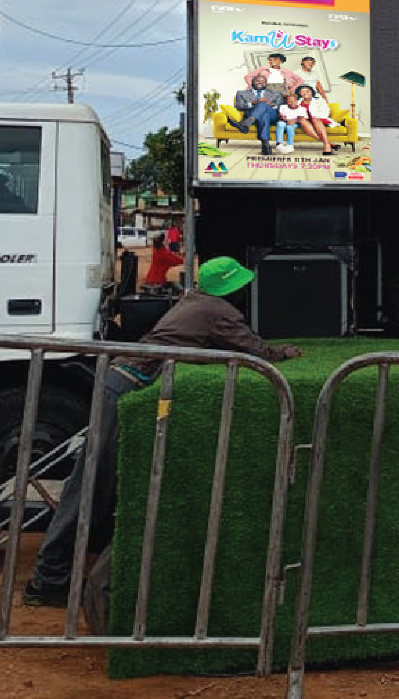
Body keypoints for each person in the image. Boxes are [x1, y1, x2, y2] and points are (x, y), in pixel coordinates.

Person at [22, 256, 301, 607]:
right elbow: (258, 352)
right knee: (91, 486)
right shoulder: (220, 313)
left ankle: (58, 573)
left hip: (118, 382)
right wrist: (285, 352)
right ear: (235, 288)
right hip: (124, 387)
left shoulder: (195, 301)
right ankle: (48, 580)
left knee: (97, 486)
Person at [228, 79, 281, 155]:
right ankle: (265, 144)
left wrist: (270, 104)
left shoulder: (276, 94)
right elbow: (238, 106)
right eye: (258, 81)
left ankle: (245, 123)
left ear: (266, 83)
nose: (260, 82)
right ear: (252, 82)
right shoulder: (241, 93)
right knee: (264, 116)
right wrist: (253, 103)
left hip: (272, 115)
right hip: (256, 114)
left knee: (262, 104)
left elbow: (281, 106)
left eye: (263, 81)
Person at [279, 84, 333, 154]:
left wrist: (315, 117)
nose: (305, 94)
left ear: (311, 92)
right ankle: (328, 143)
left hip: (319, 120)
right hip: (305, 121)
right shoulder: (297, 102)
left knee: (315, 119)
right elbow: (294, 113)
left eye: (307, 91)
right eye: (302, 92)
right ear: (299, 93)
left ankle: (327, 145)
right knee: (302, 120)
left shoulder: (319, 100)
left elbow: (326, 111)